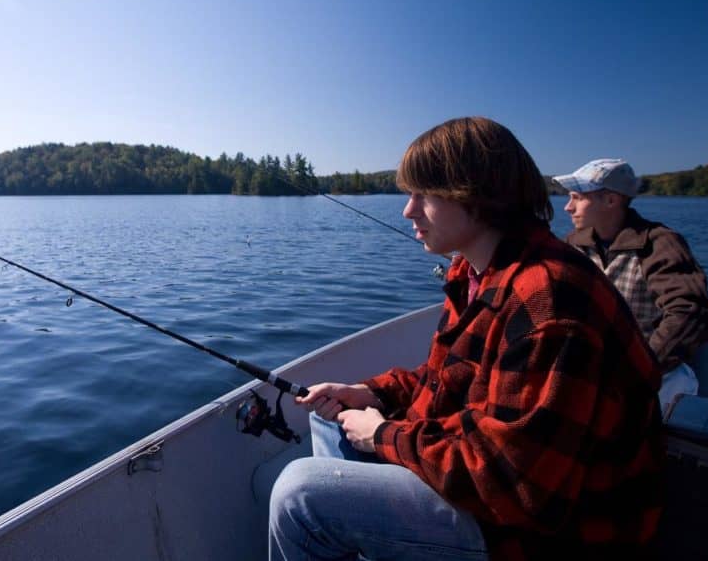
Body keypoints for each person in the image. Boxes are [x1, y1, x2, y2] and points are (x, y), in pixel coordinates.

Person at [269, 118, 663, 561]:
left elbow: (516, 487)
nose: (407, 211)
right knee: (333, 417)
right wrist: (368, 394)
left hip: (545, 533)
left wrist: (382, 434)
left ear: (475, 195)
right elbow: (446, 379)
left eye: (424, 195)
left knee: (300, 498)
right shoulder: (474, 271)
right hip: (493, 478)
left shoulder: (549, 304)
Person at [552, 159, 708, 410]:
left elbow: (691, 313)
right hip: (592, 370)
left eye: (577, 198)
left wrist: (636, 370)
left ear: (610, 201)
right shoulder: (574, 245)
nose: (567, 207)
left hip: (654, 374)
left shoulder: (658, 244)